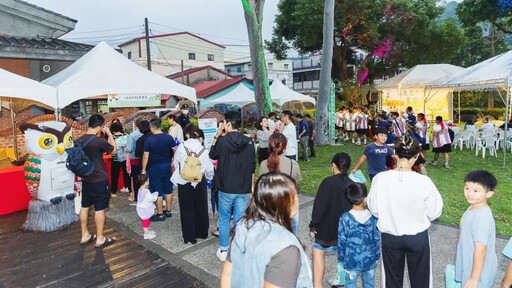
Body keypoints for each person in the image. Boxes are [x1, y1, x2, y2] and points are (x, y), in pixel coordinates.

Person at [367, 135, 443, 287]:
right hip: (417, 237)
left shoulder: (380, 179)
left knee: (391, 281)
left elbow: (374, 209)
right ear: (416, 157)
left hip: (391, 236)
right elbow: (434, 212)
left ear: (395, 154)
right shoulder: (423, 181)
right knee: (421, 281)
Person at [220, 172, 313, 287]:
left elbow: (227, 274)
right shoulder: (286, 247)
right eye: (295, 196)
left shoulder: (243, 227)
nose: (297, 200)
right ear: (281, 203)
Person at [209, 111, 255, 262]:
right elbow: (252, 166)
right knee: (240, 220)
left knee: (223, 218)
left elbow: (212, 155)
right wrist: (252, 186)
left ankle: (223, 249)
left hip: (226, 187)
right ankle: (238, 249)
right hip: (243, 187)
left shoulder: (222, 141)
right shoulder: (249, 142)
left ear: (228, 123)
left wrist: (217, 135)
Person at [309, 153, 353, 288]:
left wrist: (313, 225)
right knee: (343, 256)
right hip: (345, 228)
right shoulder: (352, 183)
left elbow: (319, 205)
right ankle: (341, 282)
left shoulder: (328, 182)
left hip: (327, 227)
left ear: (333, 164)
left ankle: (317, 285)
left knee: (318, 251)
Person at [78, 114, 117, 248]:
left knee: (85, 206)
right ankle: (100, 238)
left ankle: (85, 235)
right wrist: (110, 135)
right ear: (100, 126)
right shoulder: (98, 141)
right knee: (100, 208)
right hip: (99, 178)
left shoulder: (79, 140)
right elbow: (114, 151)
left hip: (85, 178)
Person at [455, 170, 498, 287]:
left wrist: (474, 279)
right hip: (469, 264)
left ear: (489, 194)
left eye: (476, 191)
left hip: (478, 274)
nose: (470, 194)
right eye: (467, 188)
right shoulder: (472, 208)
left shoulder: (482, 217)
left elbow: (481, 250)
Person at [171, 128, 213, 244]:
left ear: (188, 136)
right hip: (199, 181)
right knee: (201, 206)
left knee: (186, 209)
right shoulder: (203, 150)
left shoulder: (181, 147)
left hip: (184, 180)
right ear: (198, 137)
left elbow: (176, 163)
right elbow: (209, 169)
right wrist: (209, 178)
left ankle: (189, 237)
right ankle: (202, 233)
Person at [338, 183, 380, 288]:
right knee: (369, 284)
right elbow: (376, 238)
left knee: (350, 284)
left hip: (351, 258)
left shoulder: (345, 218)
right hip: (369, 258)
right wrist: (377, 255)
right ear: (365, 199)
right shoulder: (372, 218)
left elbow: (341, 240)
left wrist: (341, 257)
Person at [258, 133, 302, 234]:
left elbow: (261, 186)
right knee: (291, 237)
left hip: (269, 207)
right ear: (285, 147)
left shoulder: (263, 164)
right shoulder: (293, 164)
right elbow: (295, 186)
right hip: (288, 206)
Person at [142, 118, 176, 221]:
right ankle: (169, 211)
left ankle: (160, 214)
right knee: (168, 189)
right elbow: (175, 149)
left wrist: (143, 169)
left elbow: (145, 156)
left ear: (151, 127)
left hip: (155, 167)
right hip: (167, 166)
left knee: (157, 190)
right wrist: (173, 161)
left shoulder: (149, 140)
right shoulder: (169, 137)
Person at [126, 118, 144, 202]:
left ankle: (137, 198)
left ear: (136, 125)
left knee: (136, 180)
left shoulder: (133, 135)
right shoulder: (149, 133)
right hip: (146, 159)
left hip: (135, 159)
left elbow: (129, 148)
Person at [110, 122, 130, 198]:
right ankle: (128, 188)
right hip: (125, 157)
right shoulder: (126, 136)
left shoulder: (111, 137)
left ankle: (113, 192)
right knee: (127, 174)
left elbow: (110, 148)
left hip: (115, 158)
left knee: (115, 176)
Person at [136, 174, 159, 240]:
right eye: (148, 180)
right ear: (145, 182)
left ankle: (147, 231)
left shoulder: (140, 189)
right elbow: (151, 199)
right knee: (145, 221)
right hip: (145, 209)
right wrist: (155, 194)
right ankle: (146, 234)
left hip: (141, 208)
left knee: (145, 220)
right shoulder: (146, 191)